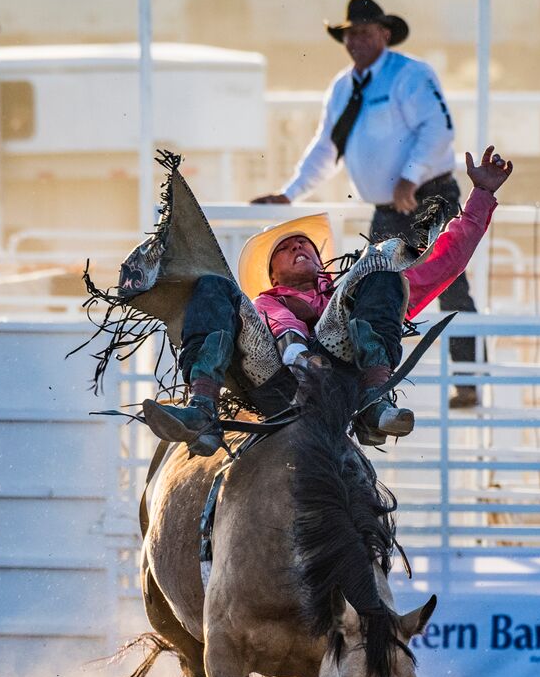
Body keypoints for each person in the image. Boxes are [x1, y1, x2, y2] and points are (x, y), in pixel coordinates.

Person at [140, 146, 512, 457]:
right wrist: (299, 353)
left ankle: (373, 400)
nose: (298, 246)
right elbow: (273, 323)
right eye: (285, 248)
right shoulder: (266, 302)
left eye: (303, 243)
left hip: (338, 374)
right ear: (273, 275)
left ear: (321, 260)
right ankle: (202, 407)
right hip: (273, 378)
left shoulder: (353, 294)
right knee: (212, 285)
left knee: (383, 276)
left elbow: (443, 263)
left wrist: (481, 195)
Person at [250, 0, 481, 409]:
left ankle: (466, 378)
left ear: (384, 34)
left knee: (448, 280)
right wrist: (290, 192)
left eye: (363, 32)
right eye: (349, 34)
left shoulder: (409, 74)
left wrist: (410, 175)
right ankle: (368, 382)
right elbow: (325, 147)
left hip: (427, 192)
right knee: (374, 285)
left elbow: (438, 129)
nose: (355, 41)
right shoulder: (343, 86)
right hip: (388, 205)